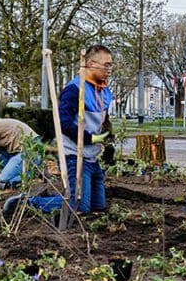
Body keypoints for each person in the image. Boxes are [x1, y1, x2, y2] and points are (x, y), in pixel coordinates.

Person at [11, 44, 114, 216]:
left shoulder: (103, 90)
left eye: (111, 65)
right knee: (78, 205)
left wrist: (108, 137)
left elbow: (104, 120)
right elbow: (64, 123)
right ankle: (25, 203)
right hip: (74, 154)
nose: (109, 69)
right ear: (89, 64)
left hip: (91, 156)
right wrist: (90, 139)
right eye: (106, 65)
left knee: (98, 206)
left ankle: (49, 201)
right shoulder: (74, 90)